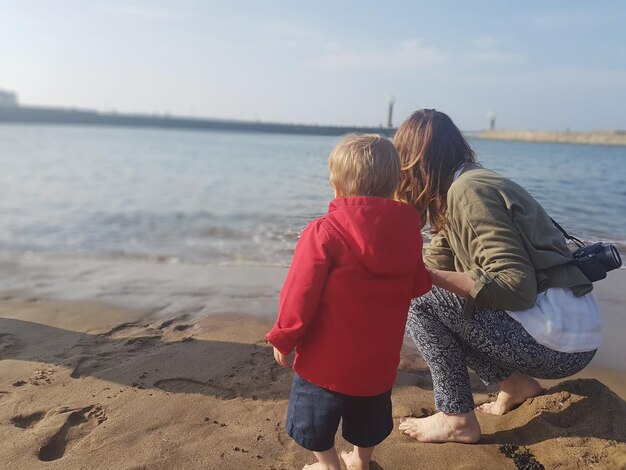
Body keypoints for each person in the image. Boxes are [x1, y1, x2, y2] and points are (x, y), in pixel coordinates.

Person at [393, 109, 602, 443]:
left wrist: (420, 276)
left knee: (419, 297)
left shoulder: (468, 191)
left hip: (562, 342)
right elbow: (438, 263)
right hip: (569, 330)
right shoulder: (461, 185)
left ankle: (456, 417)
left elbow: (515, 288)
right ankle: (515, 385)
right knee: (431, 293)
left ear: (415, 161)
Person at [266, 134, 431, 470]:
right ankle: (360, 460)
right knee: (368, 419)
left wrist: (284, 335)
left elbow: (300, 290)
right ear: (394, 183)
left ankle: (329, 465)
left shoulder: (324, 232)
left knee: (314, 421)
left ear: (336, 185)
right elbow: (418, 284)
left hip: (325, 364)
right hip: (378, 363)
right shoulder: (409, 231)